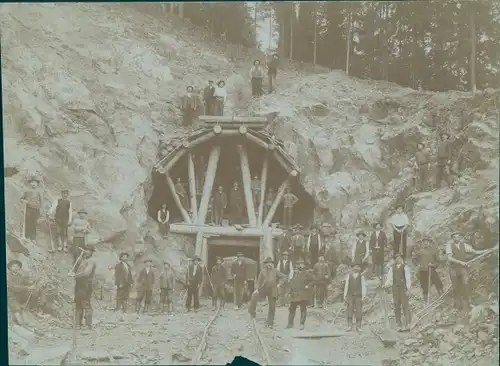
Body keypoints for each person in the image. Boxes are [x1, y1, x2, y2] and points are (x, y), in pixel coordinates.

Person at [446, 232, 490, 316]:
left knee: (466, 284)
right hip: (454, 270)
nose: (457, 238)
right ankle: (457, 307)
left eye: (458, 237)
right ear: (452, 238)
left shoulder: (464, 245)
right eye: (455, 237)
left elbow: (474, 252)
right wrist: (461, 262)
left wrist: (485, 251)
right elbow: (449, 258)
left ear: (460, 237)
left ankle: (468, 303)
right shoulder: (449, 246)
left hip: (462, 269)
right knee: (456, 287)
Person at [249, 257, 287, 328]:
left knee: (272, 307)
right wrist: (257, 289)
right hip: (263, 289)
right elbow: (258, 281)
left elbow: (284, 277)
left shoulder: (275, 271)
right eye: (267, 263)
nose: (269, 264)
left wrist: (279, 284)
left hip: (272, 290)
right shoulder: (262, 271)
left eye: (271, 263)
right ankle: (252, 312)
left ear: (272, 264)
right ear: (265, 264)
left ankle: (270, 323)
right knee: (254, 296)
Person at [7, 259, 43, 326]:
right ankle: (21, 323)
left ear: (19, 268)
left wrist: (34, 281)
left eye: (17, 266)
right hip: (11, 296)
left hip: (20, 296)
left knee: (34, 292)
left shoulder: (20, 276)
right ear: (10, 267)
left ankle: (33, 309)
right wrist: (27, 288)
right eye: (13, 266)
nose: (16, 268)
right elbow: (14, 287)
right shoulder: (8, 276)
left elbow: (27, 283)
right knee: (16, 310)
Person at [69, 245, 96, 330]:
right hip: (79, 284)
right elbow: (76, 268)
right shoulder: (81, 260)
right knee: (78, 303)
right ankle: (78, 324)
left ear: (92, 252)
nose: (86, 251)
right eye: (85, 250)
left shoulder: (91, 261)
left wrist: (75, 275)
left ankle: (88, 325)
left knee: (86, 303)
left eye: (88, 250)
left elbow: (86, 273)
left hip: (86, 284)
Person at [384, 253, 412, 331]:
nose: (397, 260)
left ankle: (408, 323)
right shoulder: (392, 268)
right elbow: (389, 279)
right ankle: (398, 323)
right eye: (396, 258)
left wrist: (408, 289)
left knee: (405, 305)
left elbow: (408, 279)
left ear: (401, 259)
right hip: (395, 288)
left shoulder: (405, 267)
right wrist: (386, 285)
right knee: (396, 305)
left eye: (399, 258)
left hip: (403, 288)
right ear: (394, 260)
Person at [411, 237, 443, 303]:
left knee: (438, 282)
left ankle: (442, 296)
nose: (426, 243)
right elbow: (414, 259)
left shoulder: (433, 250)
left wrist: (433, 265)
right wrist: (418, 265)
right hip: (423, 270)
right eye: (424, 242)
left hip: (432, 269)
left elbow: (438, 261)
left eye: (427, 242)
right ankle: (426, 301)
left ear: (429, 243)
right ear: (423, 243)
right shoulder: (419, 251)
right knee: (424, 286)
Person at [287, 260, 314, 330]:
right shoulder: (293, 273)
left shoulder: (306, 273)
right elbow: (291, 283)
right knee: (292, 309)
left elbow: (313, 280)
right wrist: (289, 293)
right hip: (294, 294)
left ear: (303, 265)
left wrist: (308, 286)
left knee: (303, 309)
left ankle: (302, 324)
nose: (299, 266)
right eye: (298, 264)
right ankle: (290, 324)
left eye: (301, 264)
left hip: (302, 294)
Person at [343, 264, 367, 331]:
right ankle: (349, 326)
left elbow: (363, 286)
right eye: (355, 267)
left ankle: (358, 326)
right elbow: (346, 286)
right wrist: (345, 295)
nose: (356, 268)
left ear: (359, 268)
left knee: (358, 311)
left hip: (358, 296)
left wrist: (363, 296)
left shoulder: (361, 277)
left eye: (358, 267)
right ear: (352, 268)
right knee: (349, 310)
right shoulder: (349, 276)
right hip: (350, 296)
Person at [21, 175, 43, 243]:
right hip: (29, 209)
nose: (33, 184)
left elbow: (41, 201)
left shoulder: (39, 192)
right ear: (30, 183)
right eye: (32, 182)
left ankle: (32, 238)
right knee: (28, 222)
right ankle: (26, 237)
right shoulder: (27, 191)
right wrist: (23, 201)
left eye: (35, 183)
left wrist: (41, 209)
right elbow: (21, 198)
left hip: (36, 209)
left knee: (34, 223)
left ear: (37, 184)